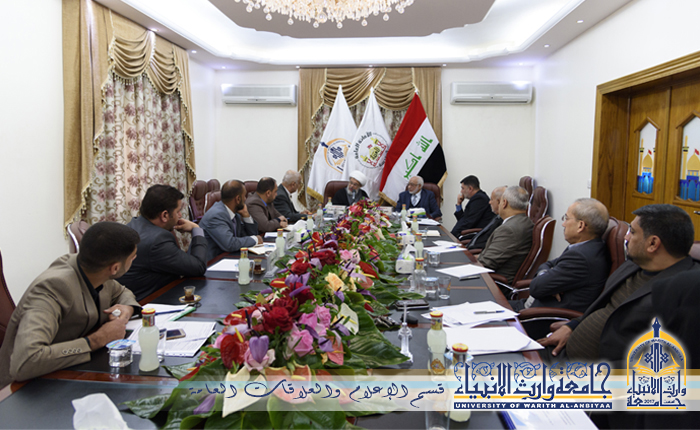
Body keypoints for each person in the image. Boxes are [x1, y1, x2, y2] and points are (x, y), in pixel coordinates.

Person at [538, 204, 699, 365]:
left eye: (632, 232)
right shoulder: (633, 265)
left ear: (653, 243)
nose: (626, 237)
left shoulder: (687, 291)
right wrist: (572, 326)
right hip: (563, 351)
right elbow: (603, 307)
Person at [0, 222, 141, 387]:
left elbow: (122, 292)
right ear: (115, 268)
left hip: (70, 372)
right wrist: (98, 339)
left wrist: (127, 308)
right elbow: (26, 361)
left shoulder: (95, 269)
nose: (134, 260)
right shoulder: (51, 288)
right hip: (23, 389)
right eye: (133, 258)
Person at [509, 198, 610, 313]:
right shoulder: (586, 247)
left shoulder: (580, 257)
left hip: (537, 315)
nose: (563, 224)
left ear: (580, 226)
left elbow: (536, 288)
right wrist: (547, 278)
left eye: (566, 218)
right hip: (533, 306)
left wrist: (546, 281)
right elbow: (548, 264)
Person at [117, 185, 207, 301]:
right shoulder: (157, 240)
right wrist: (197, 230)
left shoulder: (134, 224)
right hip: (149, 303)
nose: (180, 215)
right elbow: (198, 267)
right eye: (178, 211)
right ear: (165, 215)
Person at [477, 186, 533, 284]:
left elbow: (485, 264)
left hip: (493, 283)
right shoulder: (525, 222)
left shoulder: (508, 230)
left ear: (504, 203)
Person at [200, 180, 262, 261]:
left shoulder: (234, 213)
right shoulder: (216, 215)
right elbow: (229, 244)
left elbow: (248, 236)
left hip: (227, 257)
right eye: (244, 196)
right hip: (210, 262)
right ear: (238, 199)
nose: (245, 199)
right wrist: (255, 239)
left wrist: (246, 215)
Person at [465, 186, 505, 250]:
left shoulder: (502, 222)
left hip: (476, 252)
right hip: (470, 247)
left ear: (499, 202)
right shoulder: (496, 217)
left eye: (491, 199)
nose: (489, 202)